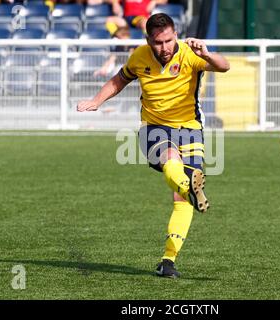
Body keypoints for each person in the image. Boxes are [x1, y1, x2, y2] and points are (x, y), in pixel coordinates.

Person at [77, 13, 230, 278]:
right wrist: (96, 100)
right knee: (171, 159)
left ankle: (168, 261)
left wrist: (206, 54)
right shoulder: (139, 56)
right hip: (154, 128)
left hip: (191, 129)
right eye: (158, 43)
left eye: (169, 40)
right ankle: (190, 187)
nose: (165, 48)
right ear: (148, 40)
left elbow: (224, 66)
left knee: (180, 200)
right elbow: (119, 80)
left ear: (176, 36)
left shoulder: (190, 53)